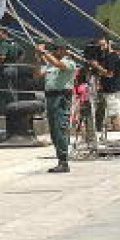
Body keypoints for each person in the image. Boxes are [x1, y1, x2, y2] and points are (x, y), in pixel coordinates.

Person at [35, 42, 78, 173]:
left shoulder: (69, 62)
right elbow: (37, 75)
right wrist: (38, 59)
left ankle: (64, 161)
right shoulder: (49, 63)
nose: (56, 51)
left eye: (59, 49)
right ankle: (60, 159)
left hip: (61, 97)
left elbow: (59, 65)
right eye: (55, 49)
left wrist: (44, 53)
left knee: (61, 128)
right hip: (50, 97)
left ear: (65, 50)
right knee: (54, 130)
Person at [86, 34, 120, 132]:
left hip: (112, 90)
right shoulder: (103, 57)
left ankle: (118, 135)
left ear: (109, 44)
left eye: (103, 45)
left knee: (115, 115)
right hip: (105, 90)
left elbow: (109, 74)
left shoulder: (112, 56)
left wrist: (97, 66)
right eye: (100, 46)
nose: (101, 48)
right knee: (106, 116)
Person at [0, 28, 25, 105]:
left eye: (0, 35)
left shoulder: (4, 44)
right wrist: (18, 62)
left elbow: (3, 57)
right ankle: (15, 105)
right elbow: (22, 52)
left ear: (5, 34)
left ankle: (12, 106)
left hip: (7, 67)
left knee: (8, 88)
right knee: (14, 88)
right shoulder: (15, 43)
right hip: (14, 67)